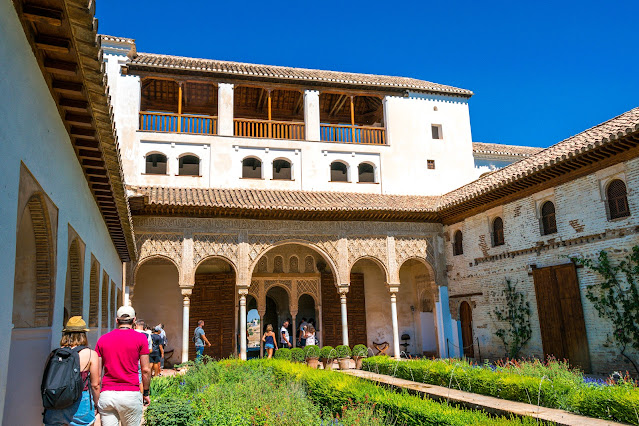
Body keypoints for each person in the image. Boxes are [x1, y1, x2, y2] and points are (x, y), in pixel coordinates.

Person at [96, 306, 151, 426]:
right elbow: (146, 370)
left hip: (108, 394)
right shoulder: (141, 338)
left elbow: (97, 375)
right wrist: (146, 392)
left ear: (117, 320)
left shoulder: (103, 340)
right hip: (130, 394)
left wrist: (96, 399)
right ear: (134, 320)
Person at [43, 316, 101, 426]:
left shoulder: (54, 354)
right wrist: (97, 404)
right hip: (80, 403)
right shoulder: (90, 354)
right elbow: (95, 385)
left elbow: (46, 380)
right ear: (83, 334)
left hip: (55, 403)